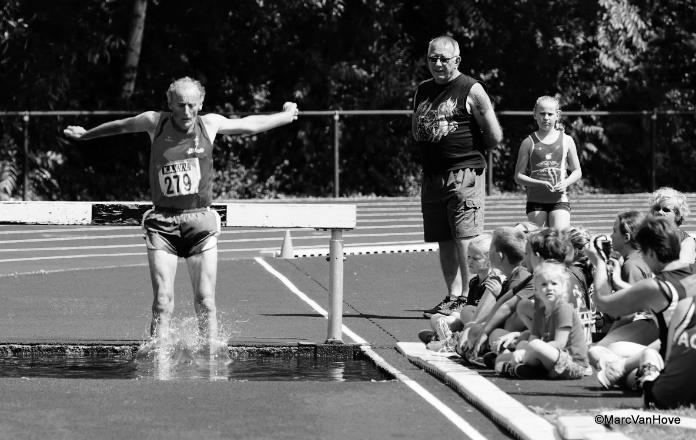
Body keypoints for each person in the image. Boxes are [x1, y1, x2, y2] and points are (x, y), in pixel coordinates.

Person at [63, 77, 299, 352]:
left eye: (191, 105)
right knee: (163, 303)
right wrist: (86, 134)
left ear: (200, 104)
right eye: (180, 105)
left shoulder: (208, 124)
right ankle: (158, 365)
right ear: (170, 104)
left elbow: (249, 125)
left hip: (200, 222)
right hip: (162, 224)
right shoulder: (155, 122)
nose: (186, 112)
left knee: (206, 302)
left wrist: (284, 116)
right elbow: (122, 126)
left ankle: (210, 364)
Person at [412, 35, 503, 318]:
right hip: (433, 176)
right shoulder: (423, 89)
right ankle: (452, 296)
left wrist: (469, 156)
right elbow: (416, 126)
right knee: (444, 239)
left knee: (465, 238)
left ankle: (468, 296)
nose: (437, 64)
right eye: (432, 58)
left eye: (443, 59)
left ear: (457, 60)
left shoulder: (471, 89)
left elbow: (494, 135)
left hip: (463, 173)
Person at [585, 216, 696, 405]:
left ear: (651, 252)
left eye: (643, 253)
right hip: (680, 350)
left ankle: (641, 374)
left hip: (673, 366)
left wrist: (600, 263)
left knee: (601, 353)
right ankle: (631, 369)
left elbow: (603, 302)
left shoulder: (656, 287)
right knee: (612, 349)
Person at [496, 260, 590, 379]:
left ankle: (516, 365)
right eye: (544, 285)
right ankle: (527, 369)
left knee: (534, 346)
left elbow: (559, 343)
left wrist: (525, 353)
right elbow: (533, 338)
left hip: (572, 364)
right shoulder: (540, 311)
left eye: (554, 284)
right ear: (537, 289)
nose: (549, 288)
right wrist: (523, 348)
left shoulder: (563, 308)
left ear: (563, 286)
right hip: (552, 359)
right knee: (523, 344)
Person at [421, 234, 504, 352]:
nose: (469, 261)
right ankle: (444, 336)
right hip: (471, 319)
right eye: (468, 256)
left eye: (475, 258)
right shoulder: (474, 282)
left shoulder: (494, 281)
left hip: (483, 322)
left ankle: (450, 340)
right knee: (437, 318)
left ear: (490, 260)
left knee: (465, 312)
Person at [514, 96, 582, 230]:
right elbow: (518, 176)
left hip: (559, 200)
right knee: (538, 240)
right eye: (542, 113)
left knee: (559, 236)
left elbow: (577, 171)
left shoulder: (567, 140)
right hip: (536, 201)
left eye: (550, 114)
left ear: (557, 115)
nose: (546, 118)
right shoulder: (528, 143)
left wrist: (566, 183)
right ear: (535, 114)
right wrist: (540, 183)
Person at [648, 187, 696, 264]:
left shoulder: (685, 241)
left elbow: (682, 272)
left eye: (666, 210)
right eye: (657, 208)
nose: (659, 212)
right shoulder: (645, 236)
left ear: (677, 215)